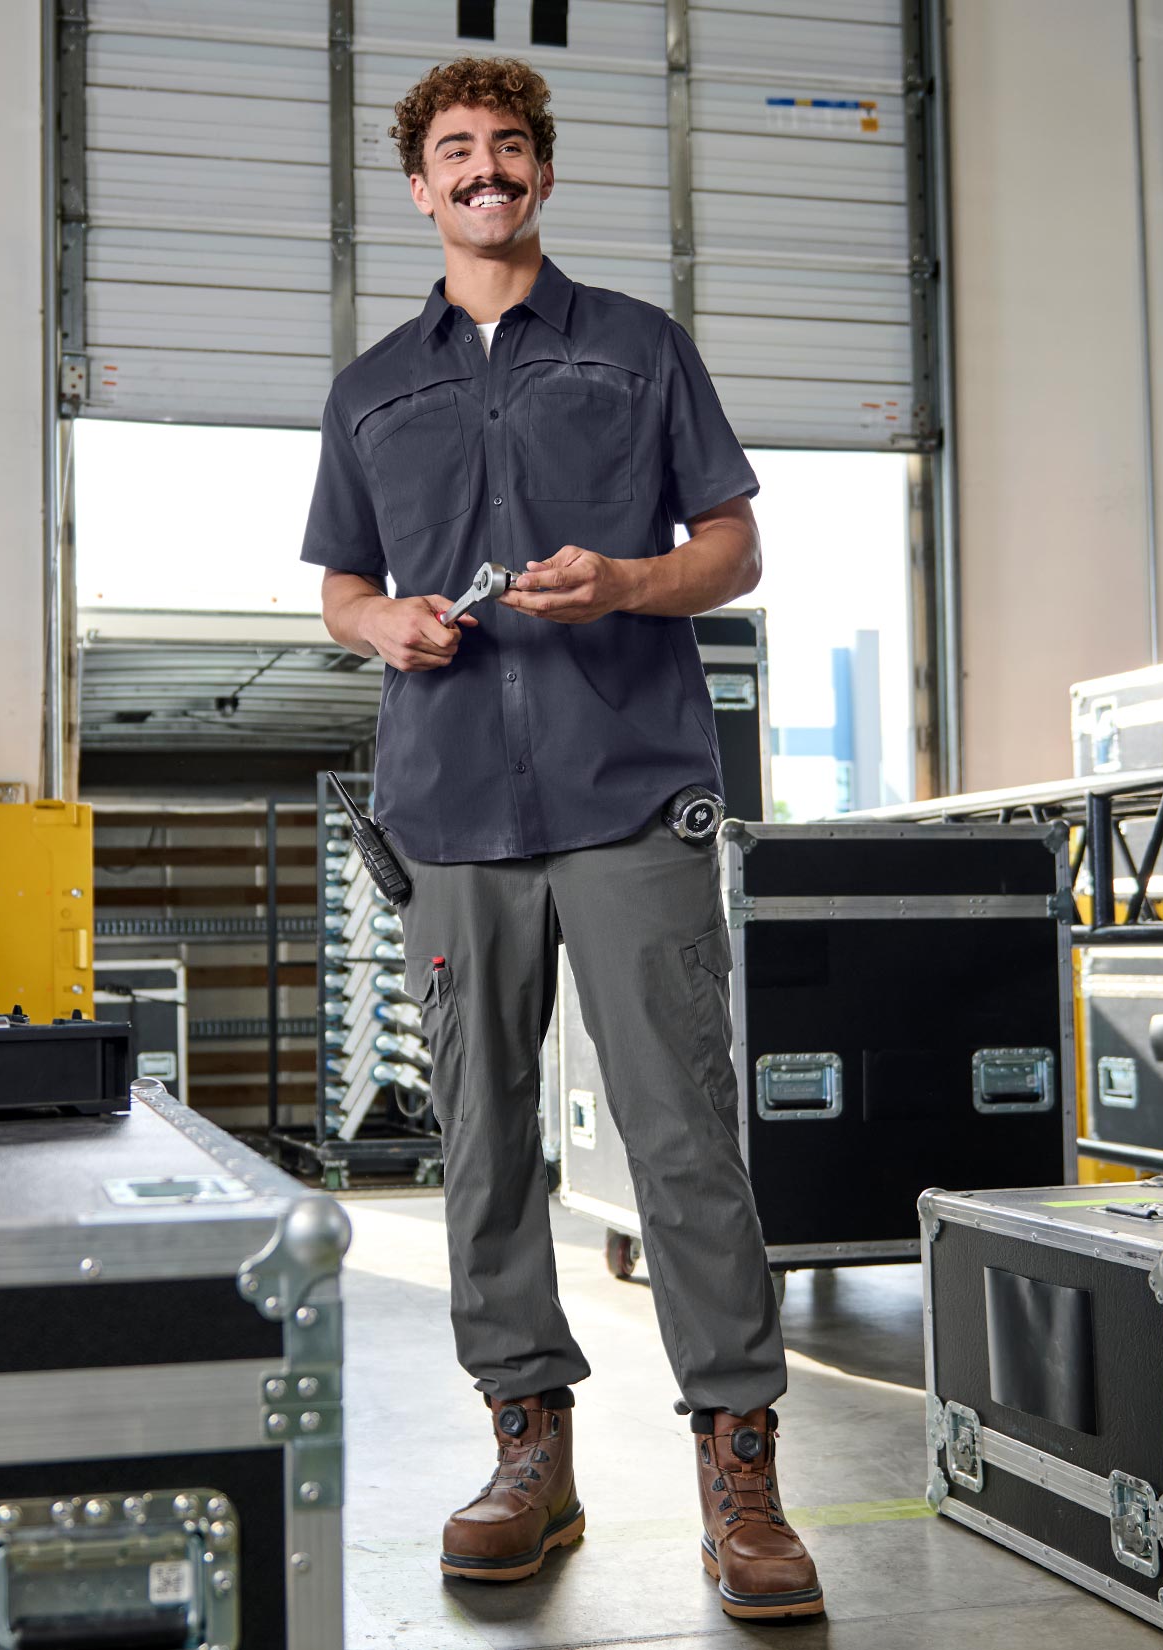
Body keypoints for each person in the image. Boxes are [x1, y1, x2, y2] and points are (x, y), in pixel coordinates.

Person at [300, 54, 823, 1623]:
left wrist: (626, 582)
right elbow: (337, 582)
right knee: (480, 1143)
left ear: (540, 175)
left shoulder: (639, 348)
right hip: (449, 812)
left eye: (508, 147)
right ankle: (530, 1450)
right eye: (455, 151)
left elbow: (728, 546)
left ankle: (742, 1469)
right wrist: (378, 620)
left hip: (627, 794)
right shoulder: (371, 387)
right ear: (421, 188)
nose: (484, 170)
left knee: (681, 1139)